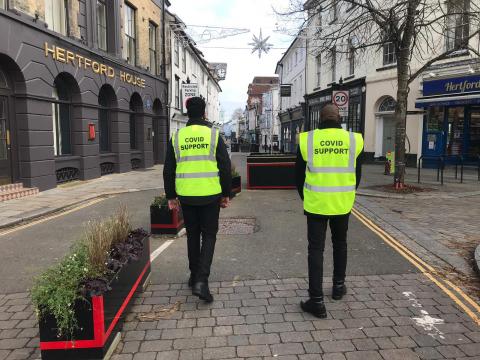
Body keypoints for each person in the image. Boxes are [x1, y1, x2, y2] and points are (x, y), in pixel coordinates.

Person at [295, 104, 364, 318]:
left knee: (315, 250)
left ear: (320, 119)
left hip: (316, 203)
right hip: (342, 203)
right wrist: (347, 194)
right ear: (339, 118)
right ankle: (337, 288)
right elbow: (358, 174)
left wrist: (306, 196)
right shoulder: (354, 140)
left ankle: (316, 301)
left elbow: (298, 175)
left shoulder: (307, 139)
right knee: (340, 244)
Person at [163, 97, 232, 303]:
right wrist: (226, 193)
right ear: (204, 113)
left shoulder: (177, 137)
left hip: (187, 195)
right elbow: (225, 166)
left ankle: (194, 277)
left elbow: (168, 169)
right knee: (209, 236)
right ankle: (202, 281)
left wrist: (171, 196)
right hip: (210, 196)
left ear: (187, 113)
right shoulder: (213, 135)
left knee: (192, 235)